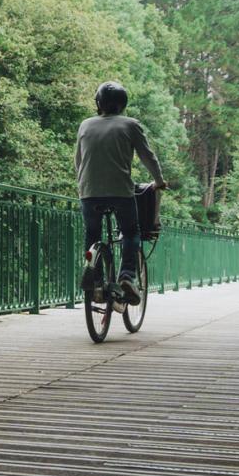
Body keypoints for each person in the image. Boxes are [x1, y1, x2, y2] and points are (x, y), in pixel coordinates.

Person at [75, 81, 167, 308]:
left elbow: (78, 161)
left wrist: (84, 185)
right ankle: (127, 277)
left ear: (99, 103)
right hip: (120, 192)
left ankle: (94, 277)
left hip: (89, 191)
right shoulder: (130, 125)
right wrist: (159, 181)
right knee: (130, 232)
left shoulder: (85, 125)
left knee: (93, 234)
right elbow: (148, 156)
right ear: (122, 105)